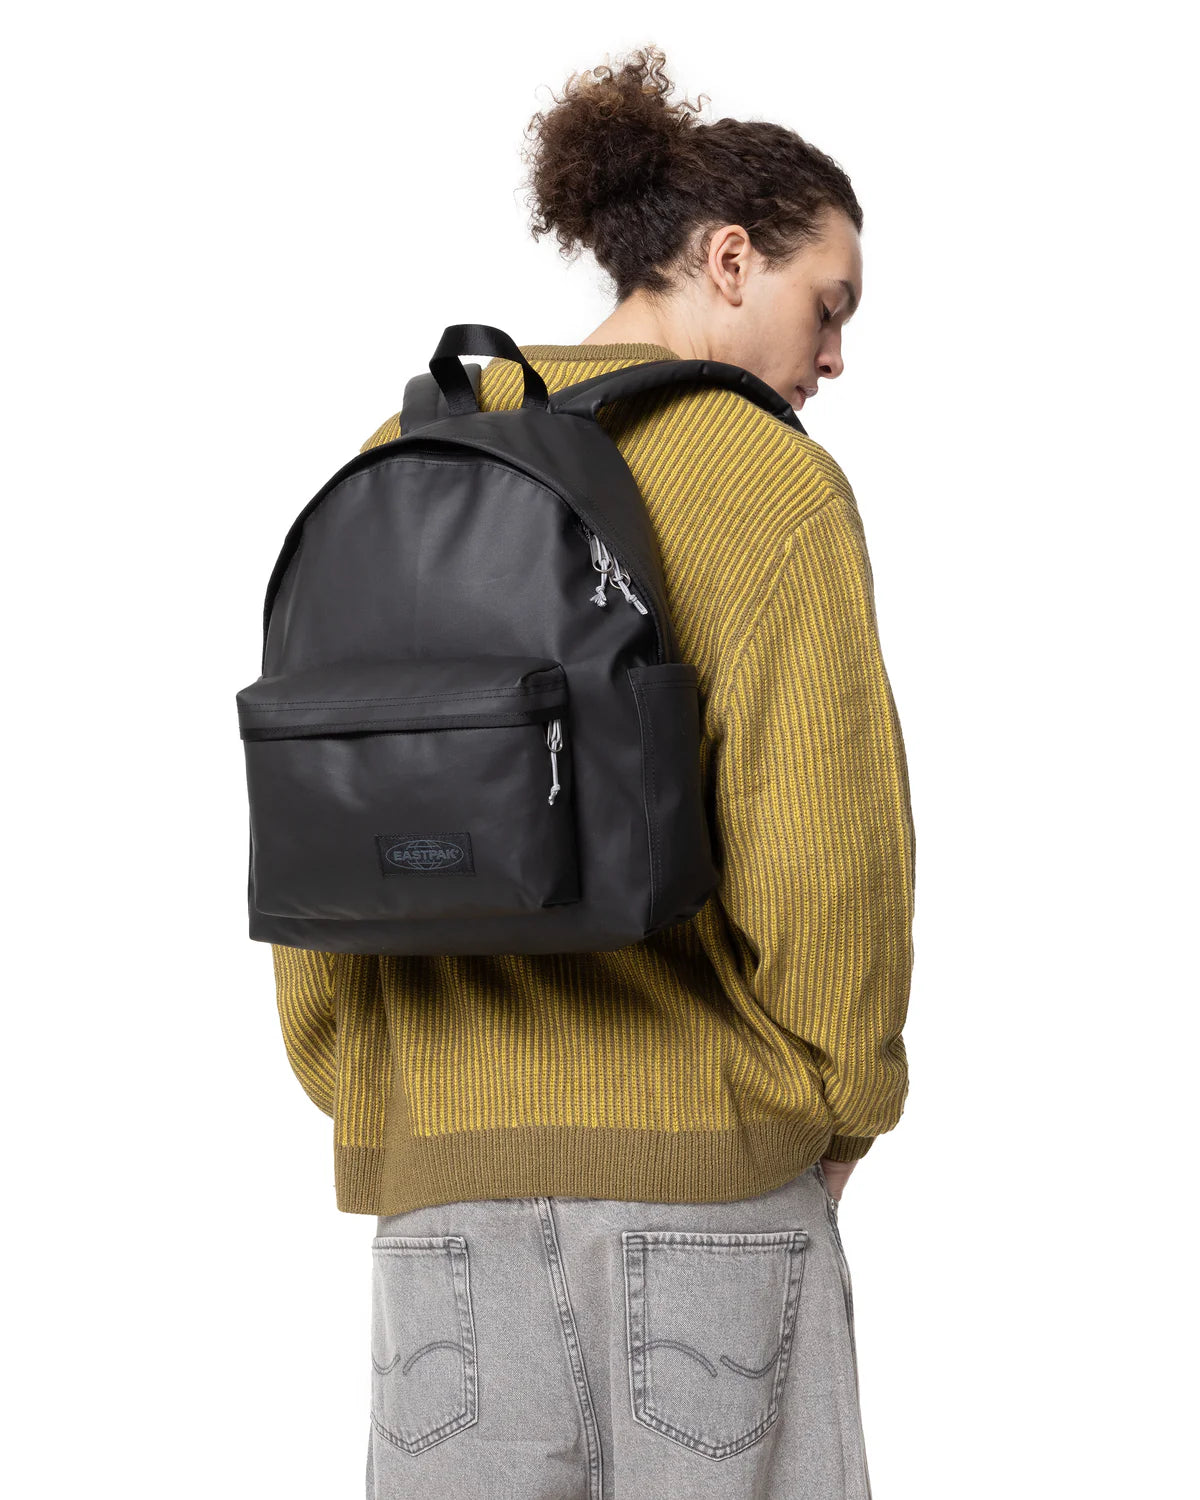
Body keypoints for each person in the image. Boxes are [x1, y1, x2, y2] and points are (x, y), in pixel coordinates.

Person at [272, 44, 916, 1500]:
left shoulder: (406, 449)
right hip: (711, 1197)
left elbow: (322, 819)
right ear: (731, 259)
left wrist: (390, 1097)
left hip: (437, 1220)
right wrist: (841, 1111)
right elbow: (832, 861)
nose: (832, 358)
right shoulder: (766, 483)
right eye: (829, 306)